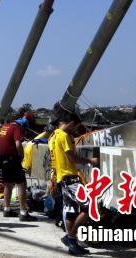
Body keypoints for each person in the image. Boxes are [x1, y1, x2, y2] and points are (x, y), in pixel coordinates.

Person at [51, 108, 98, 256]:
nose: (76, 130)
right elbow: (72, 157)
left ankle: (73, 243)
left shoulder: (53, 135)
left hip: (61, 178)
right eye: (76, 127)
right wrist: (90, 161)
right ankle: (70, 238)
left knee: (71, 211)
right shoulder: (64, 136)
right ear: (71, 123)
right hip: (70, 178)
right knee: (90, 207)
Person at [0, 110, 35, 221]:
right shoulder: (16, 127)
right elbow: (18, 143)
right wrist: (21, 156)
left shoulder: (4, 127)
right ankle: (23, 212)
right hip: (12, 159)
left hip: (2, 160)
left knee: (8, 184)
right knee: (21, 184)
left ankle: (7, 209)